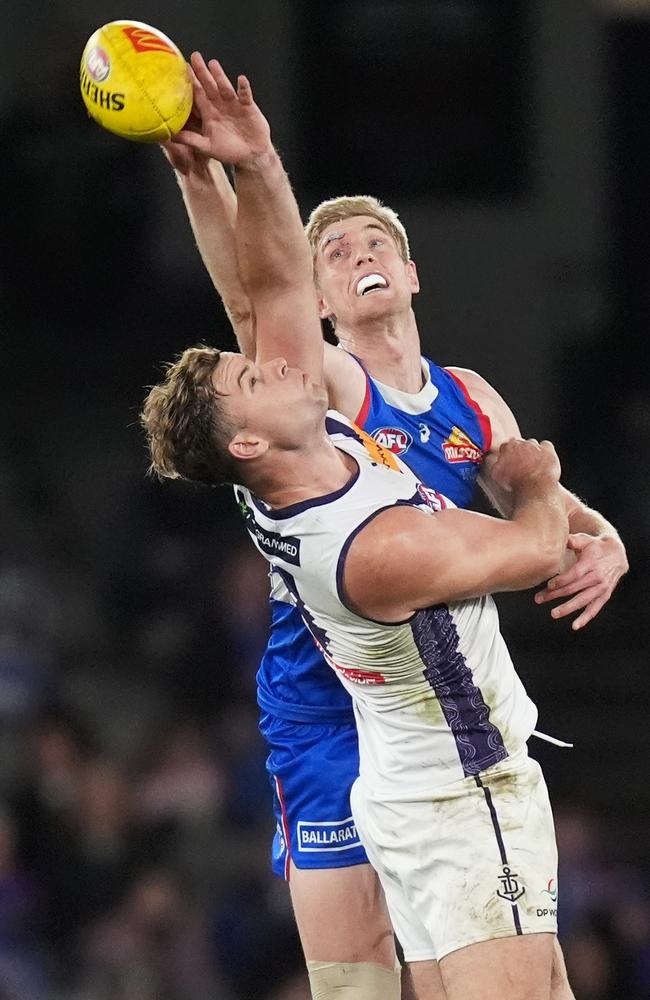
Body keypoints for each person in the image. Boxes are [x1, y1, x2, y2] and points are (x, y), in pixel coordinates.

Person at [153, 55, 626, 998]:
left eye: (375, 242)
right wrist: (216, 181)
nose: (358, 255)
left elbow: (531, 492)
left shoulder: (463, 400)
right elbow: (256, 300)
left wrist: (601, 532)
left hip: (420, 707)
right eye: (332, 252)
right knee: (359, 984)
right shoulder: (321, 390)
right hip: (333, 697)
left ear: (412, 270)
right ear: (319, 309)